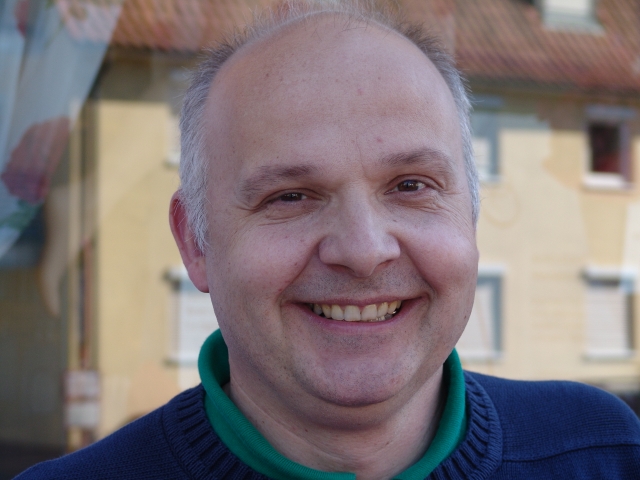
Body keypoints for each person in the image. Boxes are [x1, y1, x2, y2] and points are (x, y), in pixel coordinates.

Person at [17, 1, 640, 478]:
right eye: (290, 196)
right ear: (195, 243)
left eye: (411, 185)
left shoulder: (605, 454)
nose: (364, 251)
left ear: (470, 216)